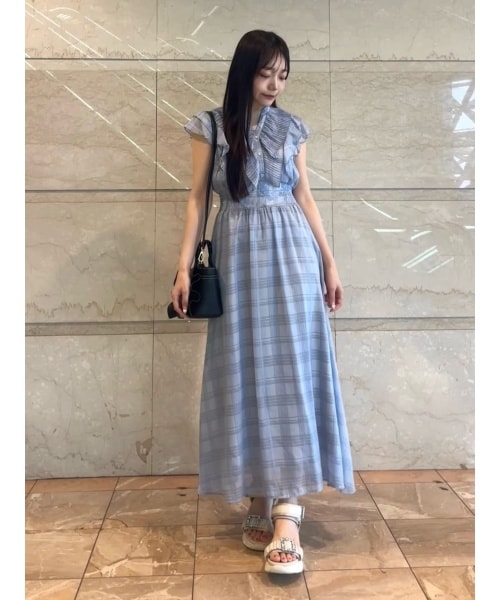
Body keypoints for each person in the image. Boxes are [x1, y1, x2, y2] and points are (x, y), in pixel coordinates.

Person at [170, 29, 355, 575]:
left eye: (283, 75)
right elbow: (197, 198)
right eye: (265, 73)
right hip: (237, 256)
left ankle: (287, 513)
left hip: (292, 252)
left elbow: (304, 195)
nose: (275, 85)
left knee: (291, 369)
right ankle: (258, 489)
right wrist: (182, 267)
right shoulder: (209, 126)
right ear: (244, 71)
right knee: (245, 370)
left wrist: (329, 262)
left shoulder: (293, 128)